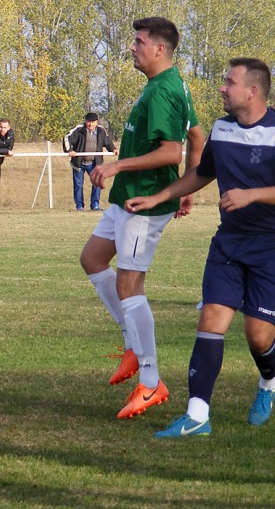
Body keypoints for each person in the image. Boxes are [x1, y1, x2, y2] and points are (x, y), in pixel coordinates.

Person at [124, 59, 275, 437]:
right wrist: (161, 195)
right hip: (229, 243)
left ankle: (269, 382)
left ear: (252, 91)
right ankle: (197, 416)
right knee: (211, 320)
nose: (222, 88)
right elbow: (201, 173)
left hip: (270, 247)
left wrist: (252, 194)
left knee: (259, 337)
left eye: (229, 82)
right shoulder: (221, 129)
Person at [79, 17, 205, 420]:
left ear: (159, 50)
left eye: (138, 41)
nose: (132, 47)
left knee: (130, 285)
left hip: (143, 203)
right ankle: (133, 345)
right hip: (126, 200)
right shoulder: (167, 84)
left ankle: (151, 382)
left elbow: (172, 151)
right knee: (93, 260)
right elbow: (197, 137)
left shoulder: (165, 91)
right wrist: (188, 188)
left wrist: (117, 167)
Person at [63, 112, 117, 211]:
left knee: (97, 183)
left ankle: (95, 204)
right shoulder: (79, 130)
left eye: (92, 122)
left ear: (96, 122)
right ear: (85, 121)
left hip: (94, 163)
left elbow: (107, 142)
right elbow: (67, 138)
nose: (90, 124)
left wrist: (113, 149)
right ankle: (79, 206)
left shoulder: (101, 131)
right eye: (88, 122)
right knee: (78, 185)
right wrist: (69, 150)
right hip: (79, 163)